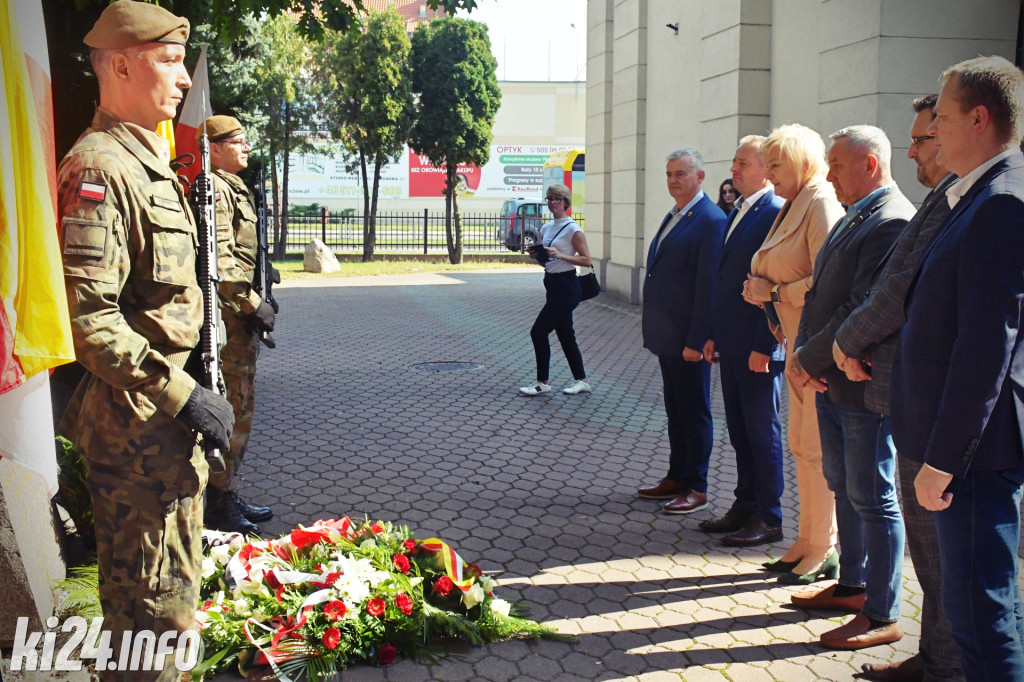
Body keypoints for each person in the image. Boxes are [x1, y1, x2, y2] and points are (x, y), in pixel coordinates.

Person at [55, 2, 234, 680]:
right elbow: (90, 320)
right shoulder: (98, 169)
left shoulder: (146, 162)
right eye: (169, 61)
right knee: (151, 636)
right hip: (135, 445)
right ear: (123, 65)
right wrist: (183, 393)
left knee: (170, 620)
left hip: (160, 441)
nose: (184, 80)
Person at [890, 55, 1024, 680]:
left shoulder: (1001, 202)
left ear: (978, 117)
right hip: (965, 449)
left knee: (980, 616)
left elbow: (984, 345)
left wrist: (942, 461)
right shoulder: (976, 194)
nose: (933, 131)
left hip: (973, 456)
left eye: (940, 117)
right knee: (978, 611)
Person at [832, 96, 962, 682]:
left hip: (925, 400)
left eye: (922, 138)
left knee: (946, 557)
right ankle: (936, 657)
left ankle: (942, 657)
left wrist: (842, 345)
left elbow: (891, 292)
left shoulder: (970, 200)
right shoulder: (945, 197)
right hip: (900, 388)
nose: (912, 149)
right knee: (934, 561)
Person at [786, 126, 914, 650]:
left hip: (862, 384)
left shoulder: (890, 219)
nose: (830, 174)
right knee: (845, 484)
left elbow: (859, 305)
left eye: (837, 164)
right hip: (835, 377)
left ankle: (882, 612)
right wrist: (813, 358)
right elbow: (824, 295)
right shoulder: (858, 212)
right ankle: (854, 585)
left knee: (874, 496)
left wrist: (805, 356)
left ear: (869, 163)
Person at [745, 124, 843, 579]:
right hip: (795, 345)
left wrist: (775, 290)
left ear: (803, 162)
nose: (769, 173)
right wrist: (763, 292)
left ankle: (823, 546)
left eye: (776, 164)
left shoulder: (820, 202)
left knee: (816, 449)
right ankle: (805, 540)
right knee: (803, 447)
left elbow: (830, 282)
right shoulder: (792, 205)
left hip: (815, 349)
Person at [700, 136, 786, 546]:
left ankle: (768, 516)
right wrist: (715, 334)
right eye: (734, 162)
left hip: (757, 347)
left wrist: (764, 346)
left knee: (761, 432)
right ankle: (744, 505)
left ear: (766, 169)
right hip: (732, 344)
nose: (733, 170)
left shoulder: (774, 211)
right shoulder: (740, 208)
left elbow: (775, 283)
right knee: (740, 431)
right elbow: (727, 279)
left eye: (743, 163)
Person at [636, 149, 724, 514]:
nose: (674, 180)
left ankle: (697, 486)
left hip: (688, 340)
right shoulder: (676, 214)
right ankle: (677, 475)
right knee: (676, 410)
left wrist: (694, 340)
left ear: (700, 177)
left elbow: (708, 287)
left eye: (682, 174)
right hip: (669, 337)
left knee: (695, 411)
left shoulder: (710, 219)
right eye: (670, 174)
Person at [201, 115, 276, 536]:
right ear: (213, 148)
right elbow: (220, 259)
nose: (246, 148)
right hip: (227, 321)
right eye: (238, 141)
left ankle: (225, 491)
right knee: (231, 408)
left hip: (237, 321)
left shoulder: (232, 186)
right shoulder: (216, 188)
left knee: (241, 405)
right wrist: (252, 304)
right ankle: (217, 501)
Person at [519, 182, 593, 396]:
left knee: (538, 331)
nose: (552, 202)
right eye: (549, 198)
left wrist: (560, 254)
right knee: (566, 335)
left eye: (557, 199)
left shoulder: (573, 229)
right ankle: (582, 380)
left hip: (567, 286)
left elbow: (587, 260)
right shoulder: (546, 228)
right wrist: (539, 256)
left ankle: (543, 382)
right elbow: (547, 263)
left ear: (566, 202)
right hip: (551, 283)